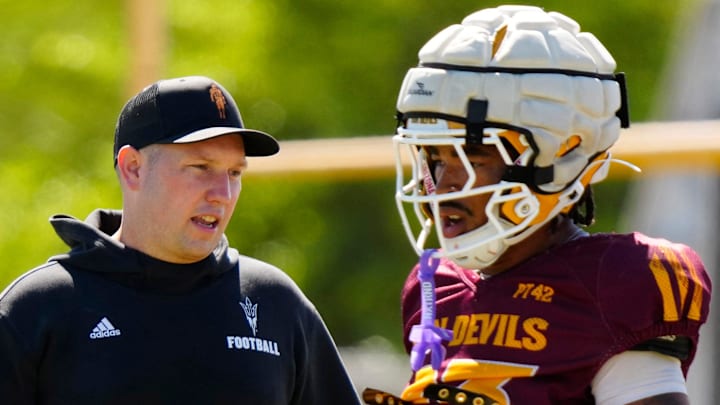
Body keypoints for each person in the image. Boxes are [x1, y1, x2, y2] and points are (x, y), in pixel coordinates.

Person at [363, 5, 712, 405]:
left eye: (474, 156)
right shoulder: (435, 285)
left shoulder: (610, 283)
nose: (444, 184)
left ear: (563, 154)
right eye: (435, 157)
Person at [0, 75, 362, 405]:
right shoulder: (37, 309)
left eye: (235, 173)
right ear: (133, 168)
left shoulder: (275, 303)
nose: (223, 193)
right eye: (201, 168)